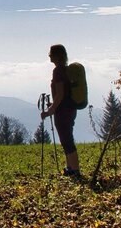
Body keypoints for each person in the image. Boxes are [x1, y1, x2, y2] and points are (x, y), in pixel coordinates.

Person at [41, 44, 81, 178]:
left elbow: (60, 94)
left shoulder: (58, 71)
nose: (49, 55)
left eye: (51, 53)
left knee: (66, 140)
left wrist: (50, 110)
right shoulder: (66, 70)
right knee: (67, 138)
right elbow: (64, 94)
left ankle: (75, 170)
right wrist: (53, 105)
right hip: (70, 109)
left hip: (62, 111)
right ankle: (70, 168)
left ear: (56, 55)